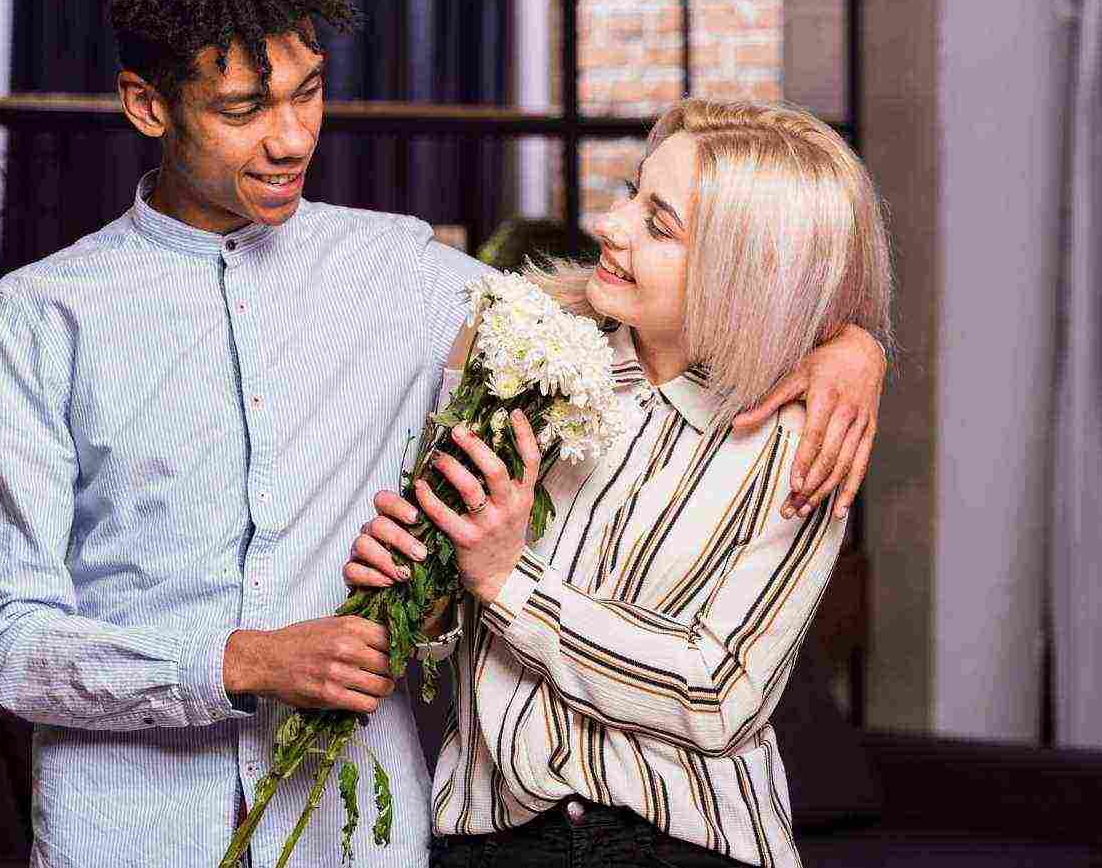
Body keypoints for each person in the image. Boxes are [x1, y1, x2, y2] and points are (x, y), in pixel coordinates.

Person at [0, 0, 889, 868]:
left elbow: (632, 302)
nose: (291, 136)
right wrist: (240, 660)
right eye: (242, 108)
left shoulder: (401, 269)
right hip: (131, 831)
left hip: (356, 833)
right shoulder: (41, 317)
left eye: (308, 89)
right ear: (148, 103)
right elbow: (6, 636)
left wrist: (849, 340)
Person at [345, 99, 892, 868]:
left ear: (742, 270)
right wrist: (416, 585)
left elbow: (718, 693)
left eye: (658, 223)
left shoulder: (799, 439)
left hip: (680, 844)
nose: (611, 224)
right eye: (633, 192)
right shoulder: (520, 363)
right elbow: (444, 623)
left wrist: (510, 582)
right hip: (490, 841)